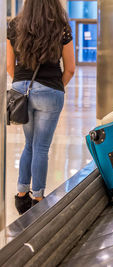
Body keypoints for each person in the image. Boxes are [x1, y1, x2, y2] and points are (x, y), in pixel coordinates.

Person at [6, 0, 75, 214]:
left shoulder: (15, 26)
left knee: (29, 144)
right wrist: (53, 88)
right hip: (50, 91)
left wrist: (26, 90)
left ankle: (21, 195)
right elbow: (70, 68)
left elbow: (10, 66)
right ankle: (37, 197)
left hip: (22, 89)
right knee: (41, 147)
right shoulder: (61, 27)